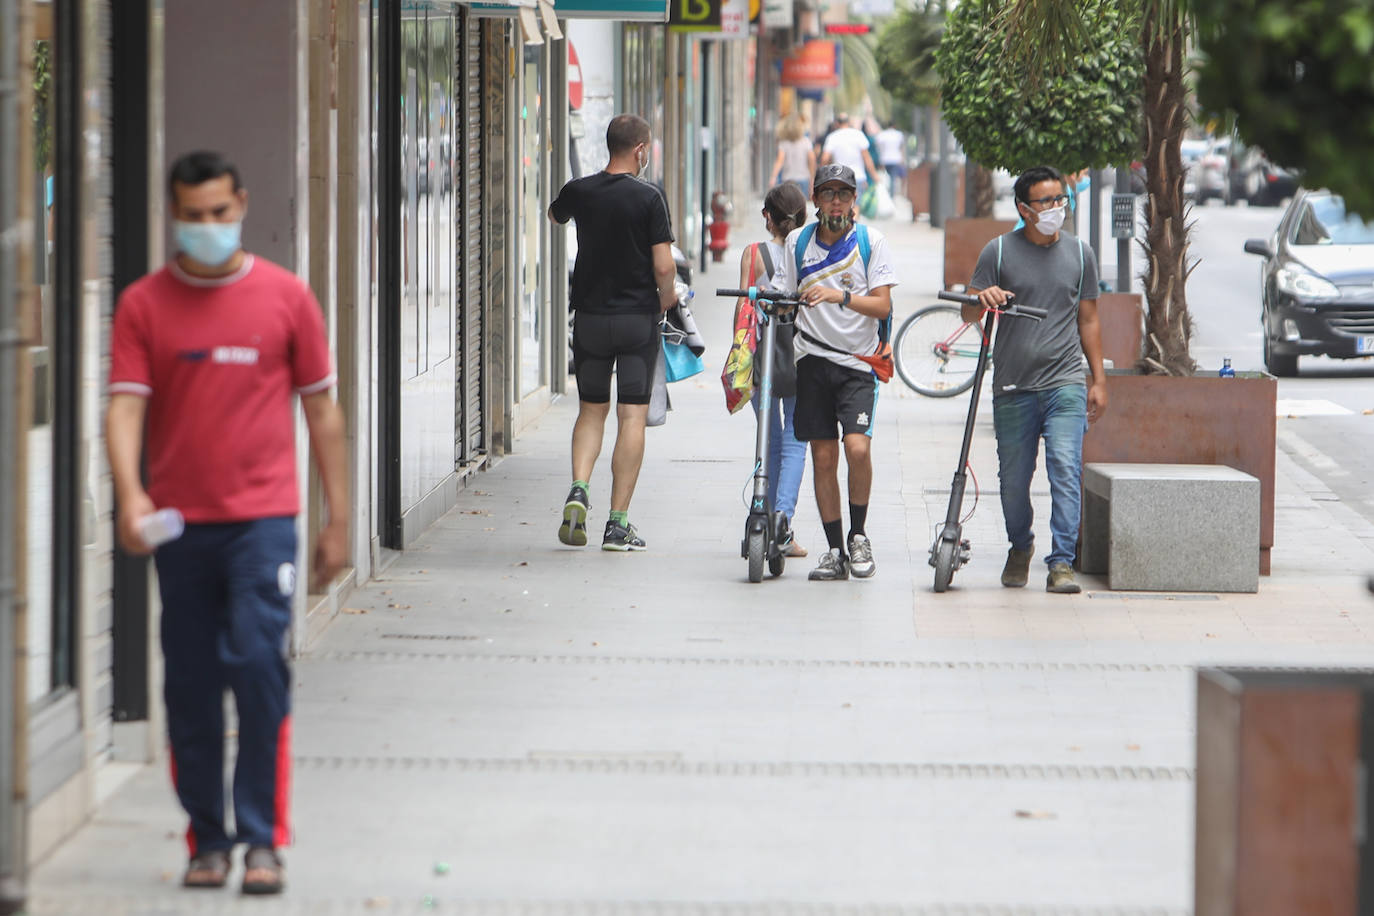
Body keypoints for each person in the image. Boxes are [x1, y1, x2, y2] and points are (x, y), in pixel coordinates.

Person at [106, 151, 348, 895]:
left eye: (218, 212)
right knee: (190, 681)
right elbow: (124, 405)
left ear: (240, 204)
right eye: (191, 214)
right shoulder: (145, 304)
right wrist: (128, 495)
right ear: (172, 213)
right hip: (181, 526)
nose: (206, 226)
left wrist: (340, 518)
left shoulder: (286, 298)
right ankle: (206, 840)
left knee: (255, 664)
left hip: (263, 523)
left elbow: (323, 411)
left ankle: (262, 840)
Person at [962, 165, 1108, 594]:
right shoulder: (999, 253)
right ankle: (1020, 545)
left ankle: (1061, 561)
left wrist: (1097, 379)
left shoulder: (1081, 254)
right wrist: (980, 299)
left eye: (1060, 199)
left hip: (1065, 382)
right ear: (1024, 209)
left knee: (1065, 468)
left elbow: (1089, 319)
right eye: (1046, 201)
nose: (1056, 208)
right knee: (1013, 481)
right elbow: (968, 313)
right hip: (1013, 386)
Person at [549, 114, 677, 551]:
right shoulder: (649, 198)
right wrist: (666, 297)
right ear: (640, 149)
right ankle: (617, 524)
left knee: (590, 411)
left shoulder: (580, 190)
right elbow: (664, 265)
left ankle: (579, 489)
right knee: (631, 416)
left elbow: (555, 214)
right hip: (636, 321)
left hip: (590, 320)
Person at [776, 164, 897, 581]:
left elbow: (882, 305)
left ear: (854, 201)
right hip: (811, 362)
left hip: (858, 365)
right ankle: (833, 550)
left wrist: (838, 295)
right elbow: (783, 297)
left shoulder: (871, 242)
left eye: (844, 194)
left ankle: (858, 537)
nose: (836, 202)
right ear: (815, 200)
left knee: (857, 449)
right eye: (828, 194)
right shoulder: (797, 243)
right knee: (823, 457)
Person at [735, 183, 811, 558]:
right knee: (796, 439)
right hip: (801, 355)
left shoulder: (754, 254)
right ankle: (782, 521)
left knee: (770, 438)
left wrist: (737, 364)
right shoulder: (810, 252)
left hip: (762, 358)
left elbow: (742, 317)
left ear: (768, 216)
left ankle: (760, 511)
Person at [820, 113, 879, 195]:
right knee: (856, 205)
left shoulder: (832, 137)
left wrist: (824, 176)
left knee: (841, 205)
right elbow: (866, 158)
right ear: (848, 122)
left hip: (839, 177)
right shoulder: (858, 135)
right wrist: (874, 175)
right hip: (857, 176)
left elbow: (824, 159)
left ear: (837, 123)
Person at [769, 113, 816, 196]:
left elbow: (779, 161)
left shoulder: (783, 143)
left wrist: (773, 177)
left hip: (788, 179)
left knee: (788, 205)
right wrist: (812, 179)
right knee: (801, 204)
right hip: (803, 178)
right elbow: (812, 160)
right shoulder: (806, 141)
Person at [875, 122, 907, 197]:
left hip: (884, 159)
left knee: (886, 177)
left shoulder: (882, 134)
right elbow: (901, 147)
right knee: (893, 178)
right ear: (894, 126)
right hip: (896, 159)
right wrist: (902, 158)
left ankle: (887, 194)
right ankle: (891, 195)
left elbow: (879, 147)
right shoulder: (898, 134)